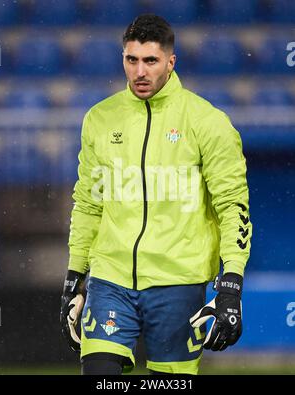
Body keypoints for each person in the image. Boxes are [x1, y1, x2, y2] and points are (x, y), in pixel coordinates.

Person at [60, 14, 252, 375]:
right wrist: (74, 277)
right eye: (131, 60)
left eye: (151, 60)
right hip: (110, 278)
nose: (140, 71)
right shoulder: (99, 119)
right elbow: (88, 203)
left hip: (179, 283)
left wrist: (231, 287)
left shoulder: (207, 122)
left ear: (170, 61)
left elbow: (233, 206)